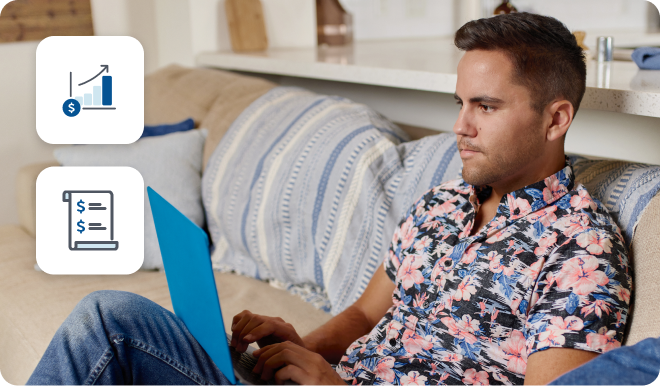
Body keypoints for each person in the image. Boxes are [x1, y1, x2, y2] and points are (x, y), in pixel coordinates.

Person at [28, 12, 632, 386]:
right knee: (110, 317)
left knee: (108, 328)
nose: (461, 126)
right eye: (460, 104)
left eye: (487, 106)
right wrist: (297, 349)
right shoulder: (442, 204)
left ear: (556, 119)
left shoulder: (581, 253)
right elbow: (366, 316)